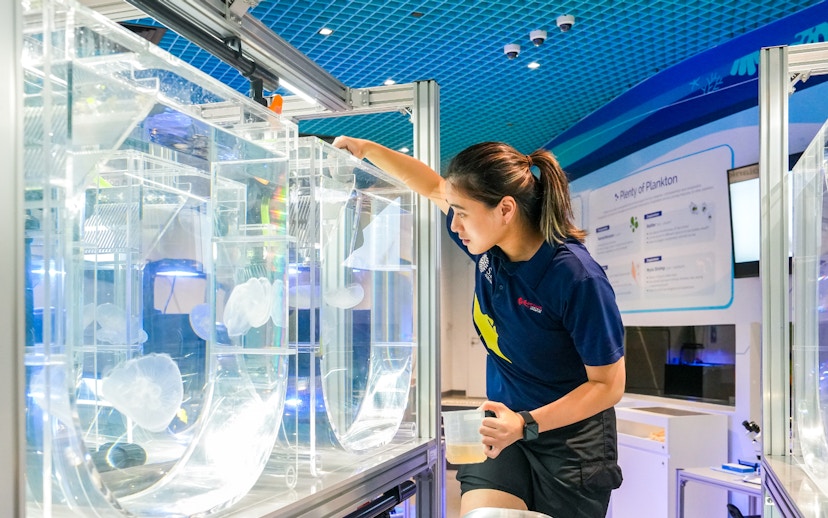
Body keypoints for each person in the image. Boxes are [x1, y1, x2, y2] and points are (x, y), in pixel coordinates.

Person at [332, 136, 625, 518]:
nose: (453, 223)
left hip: (569, 448)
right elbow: (434, 186)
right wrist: (365, 149)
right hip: (501, 431)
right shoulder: (490, 249)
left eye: (462, 212)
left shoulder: (576, 279)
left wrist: (525, 423)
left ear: (505, 209)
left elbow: (608, 385)